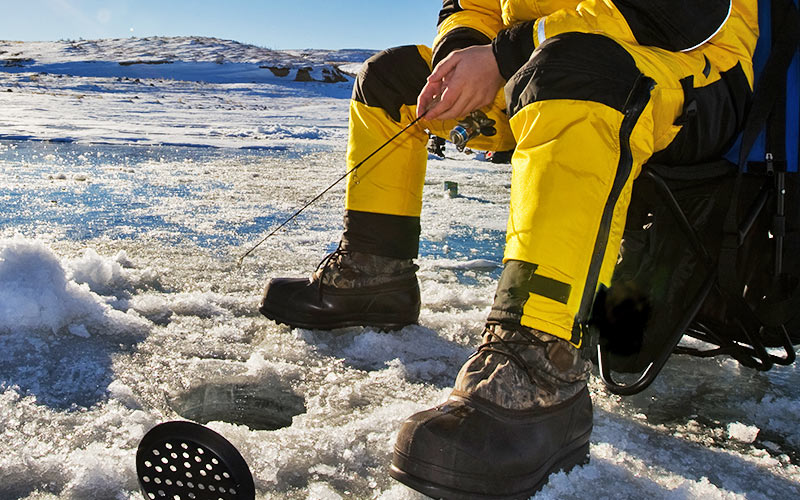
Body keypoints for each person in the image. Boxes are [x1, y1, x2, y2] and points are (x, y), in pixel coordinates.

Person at [260, 0, 758, 497]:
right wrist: (461, 53)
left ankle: (541, 361)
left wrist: (503, 56)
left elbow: (683, 14)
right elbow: (468, 5)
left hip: (692, 65)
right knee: (390, 80)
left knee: (573, 69)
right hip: (538, 55)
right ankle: (374, 274)